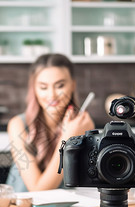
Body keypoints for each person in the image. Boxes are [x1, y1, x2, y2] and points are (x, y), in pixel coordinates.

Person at [6, 53, 94, 192]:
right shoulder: (18, 125)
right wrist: (68, 138)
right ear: (34, 89)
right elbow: (38, 190)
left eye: (60, 86)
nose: (51, 95)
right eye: (43, 87)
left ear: (72, 85)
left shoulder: (83, 125)